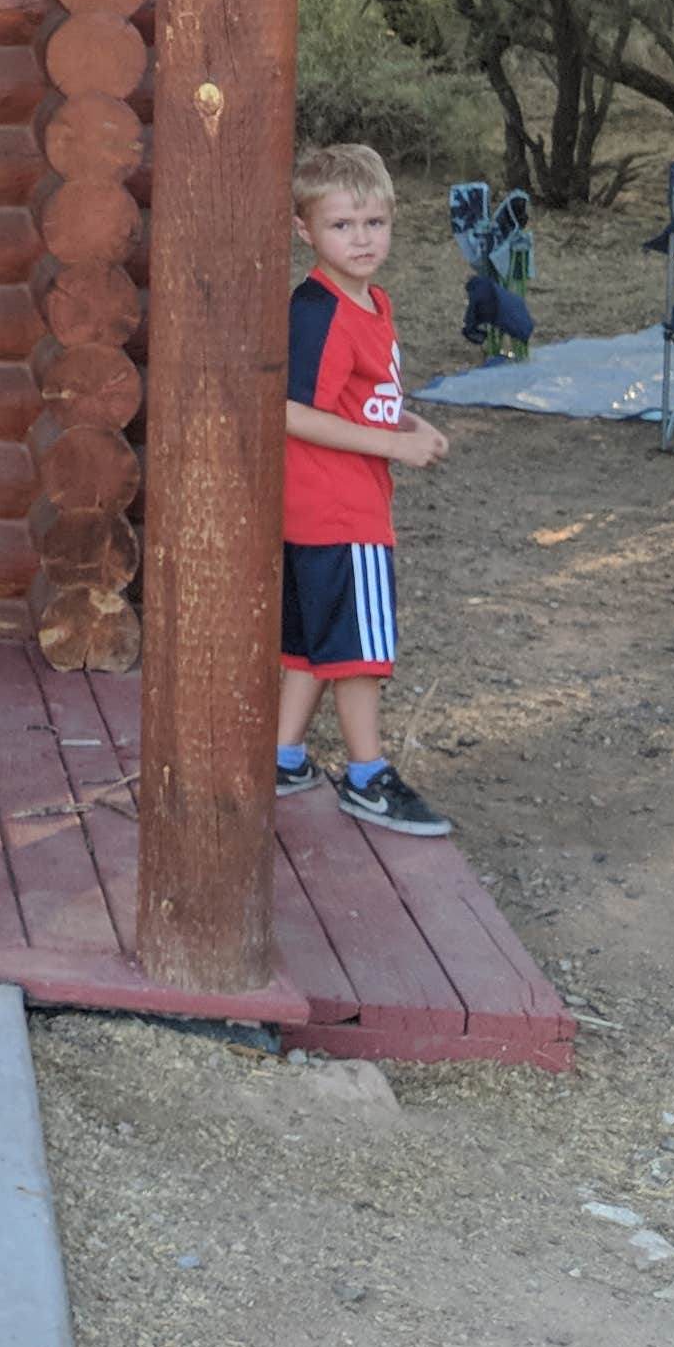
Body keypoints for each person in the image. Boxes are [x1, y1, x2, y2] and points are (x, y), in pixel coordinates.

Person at [279, 142, 455, 834]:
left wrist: (410, 421)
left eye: (373, 223)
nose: (361, 239)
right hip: (337, 509)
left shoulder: (370, 302)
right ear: (305, 230)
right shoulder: (318, 311)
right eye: (341, 226)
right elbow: (290, 411)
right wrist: (394, 447)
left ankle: (285, 755)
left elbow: (359, 398)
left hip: (334, 505)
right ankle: (367, 775)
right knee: (357, 652)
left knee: (314, 644)